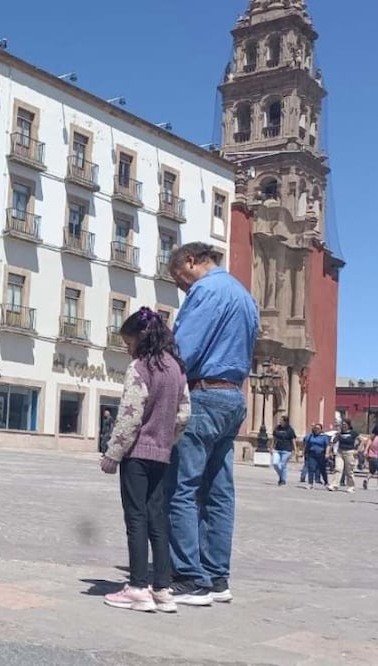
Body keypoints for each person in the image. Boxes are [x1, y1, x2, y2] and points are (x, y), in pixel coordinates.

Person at [164, 242, 258, 607]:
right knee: (220, 491)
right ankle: (218, 577)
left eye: (178, 277)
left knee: (182, 487)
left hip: (203, 395)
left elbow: (183, 350)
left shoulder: (206, 291)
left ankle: (189, 577)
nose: (181, 286)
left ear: (191, 261)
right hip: (234, 395)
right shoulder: (243, 295)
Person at [99, 308, 190, 613]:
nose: (127, 348)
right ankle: (162, 588)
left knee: (135, 518)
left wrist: (113, 454)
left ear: (141, 337)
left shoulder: (140, 367)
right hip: (162, 455)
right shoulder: (177, 369)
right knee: (158, 520)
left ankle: (137, 586)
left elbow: (130, 415)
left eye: (128, 342)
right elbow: (184, 414)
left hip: (137, 455)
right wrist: (167, 440)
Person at [332, 420, 359, 492]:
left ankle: (351, 486)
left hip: (349, 452)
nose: (343, 426)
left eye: (345, 424)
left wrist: (357, 450)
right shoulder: (340, 433)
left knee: (349, 470)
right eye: (342, 425)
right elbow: (334, 441)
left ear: (348, 425)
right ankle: (334, 485)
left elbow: (362, 440)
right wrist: (337, 435)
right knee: (338, 468)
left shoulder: (353, 433)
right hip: (340, 452)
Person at [302, 424, 331, 490]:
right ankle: (310, 484)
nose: (316, 429)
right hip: (312, 454)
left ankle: (326, 483)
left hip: (321, 455)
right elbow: (306, 444)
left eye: (318, 428)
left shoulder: (324, 437)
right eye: (315, 428)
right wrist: (304, 452)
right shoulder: (310, 436)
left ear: (321, 429)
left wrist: (327, 453)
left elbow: (328, 445)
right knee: (311, 469)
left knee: (322, 469)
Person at [271, 416, 296, 487]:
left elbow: (293, 439)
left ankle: (282, 480)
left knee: (283, 465)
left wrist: (295, 449)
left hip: (287, 450)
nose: (280, 421)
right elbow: (274, 438)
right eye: (280, 420)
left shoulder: (290, 429)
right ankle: (282, 477)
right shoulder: (277, 428)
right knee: (275, 463)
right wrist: (271, 447)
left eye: (281, 420)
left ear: (285, 421)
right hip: (277, 449)